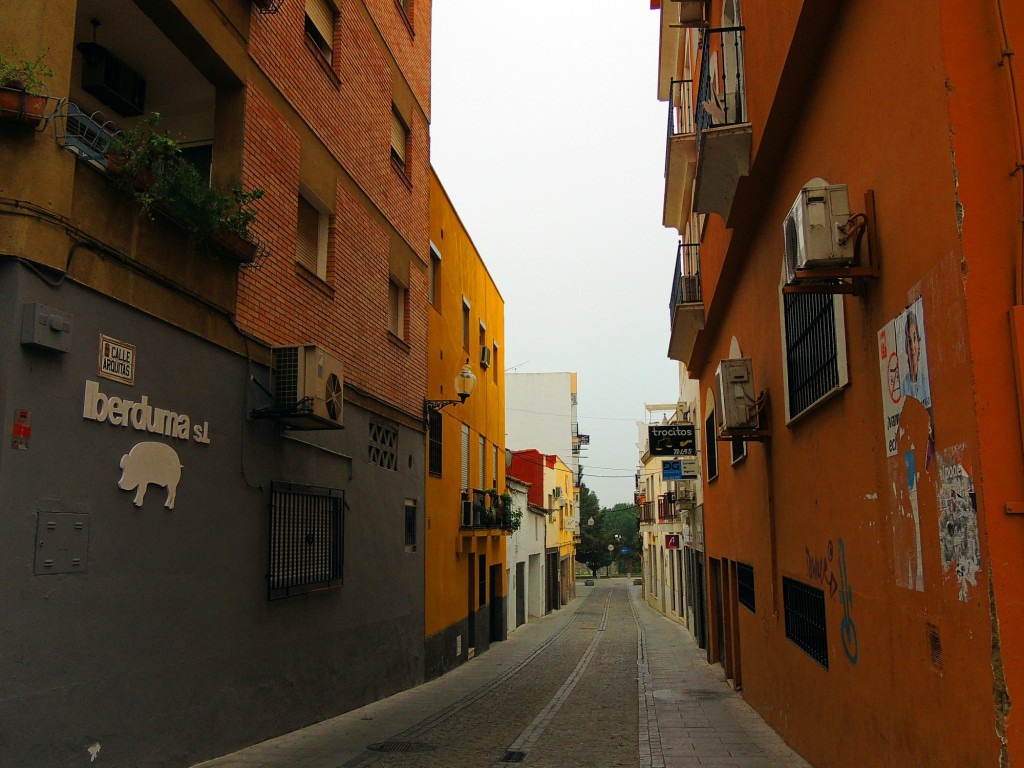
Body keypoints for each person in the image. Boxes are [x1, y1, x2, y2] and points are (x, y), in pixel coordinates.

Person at [902, 306, 931, 408]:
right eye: (909, 340)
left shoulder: (926, 381)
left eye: (914, 338)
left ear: (918, 342)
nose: (912, 347)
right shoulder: (904, 386)